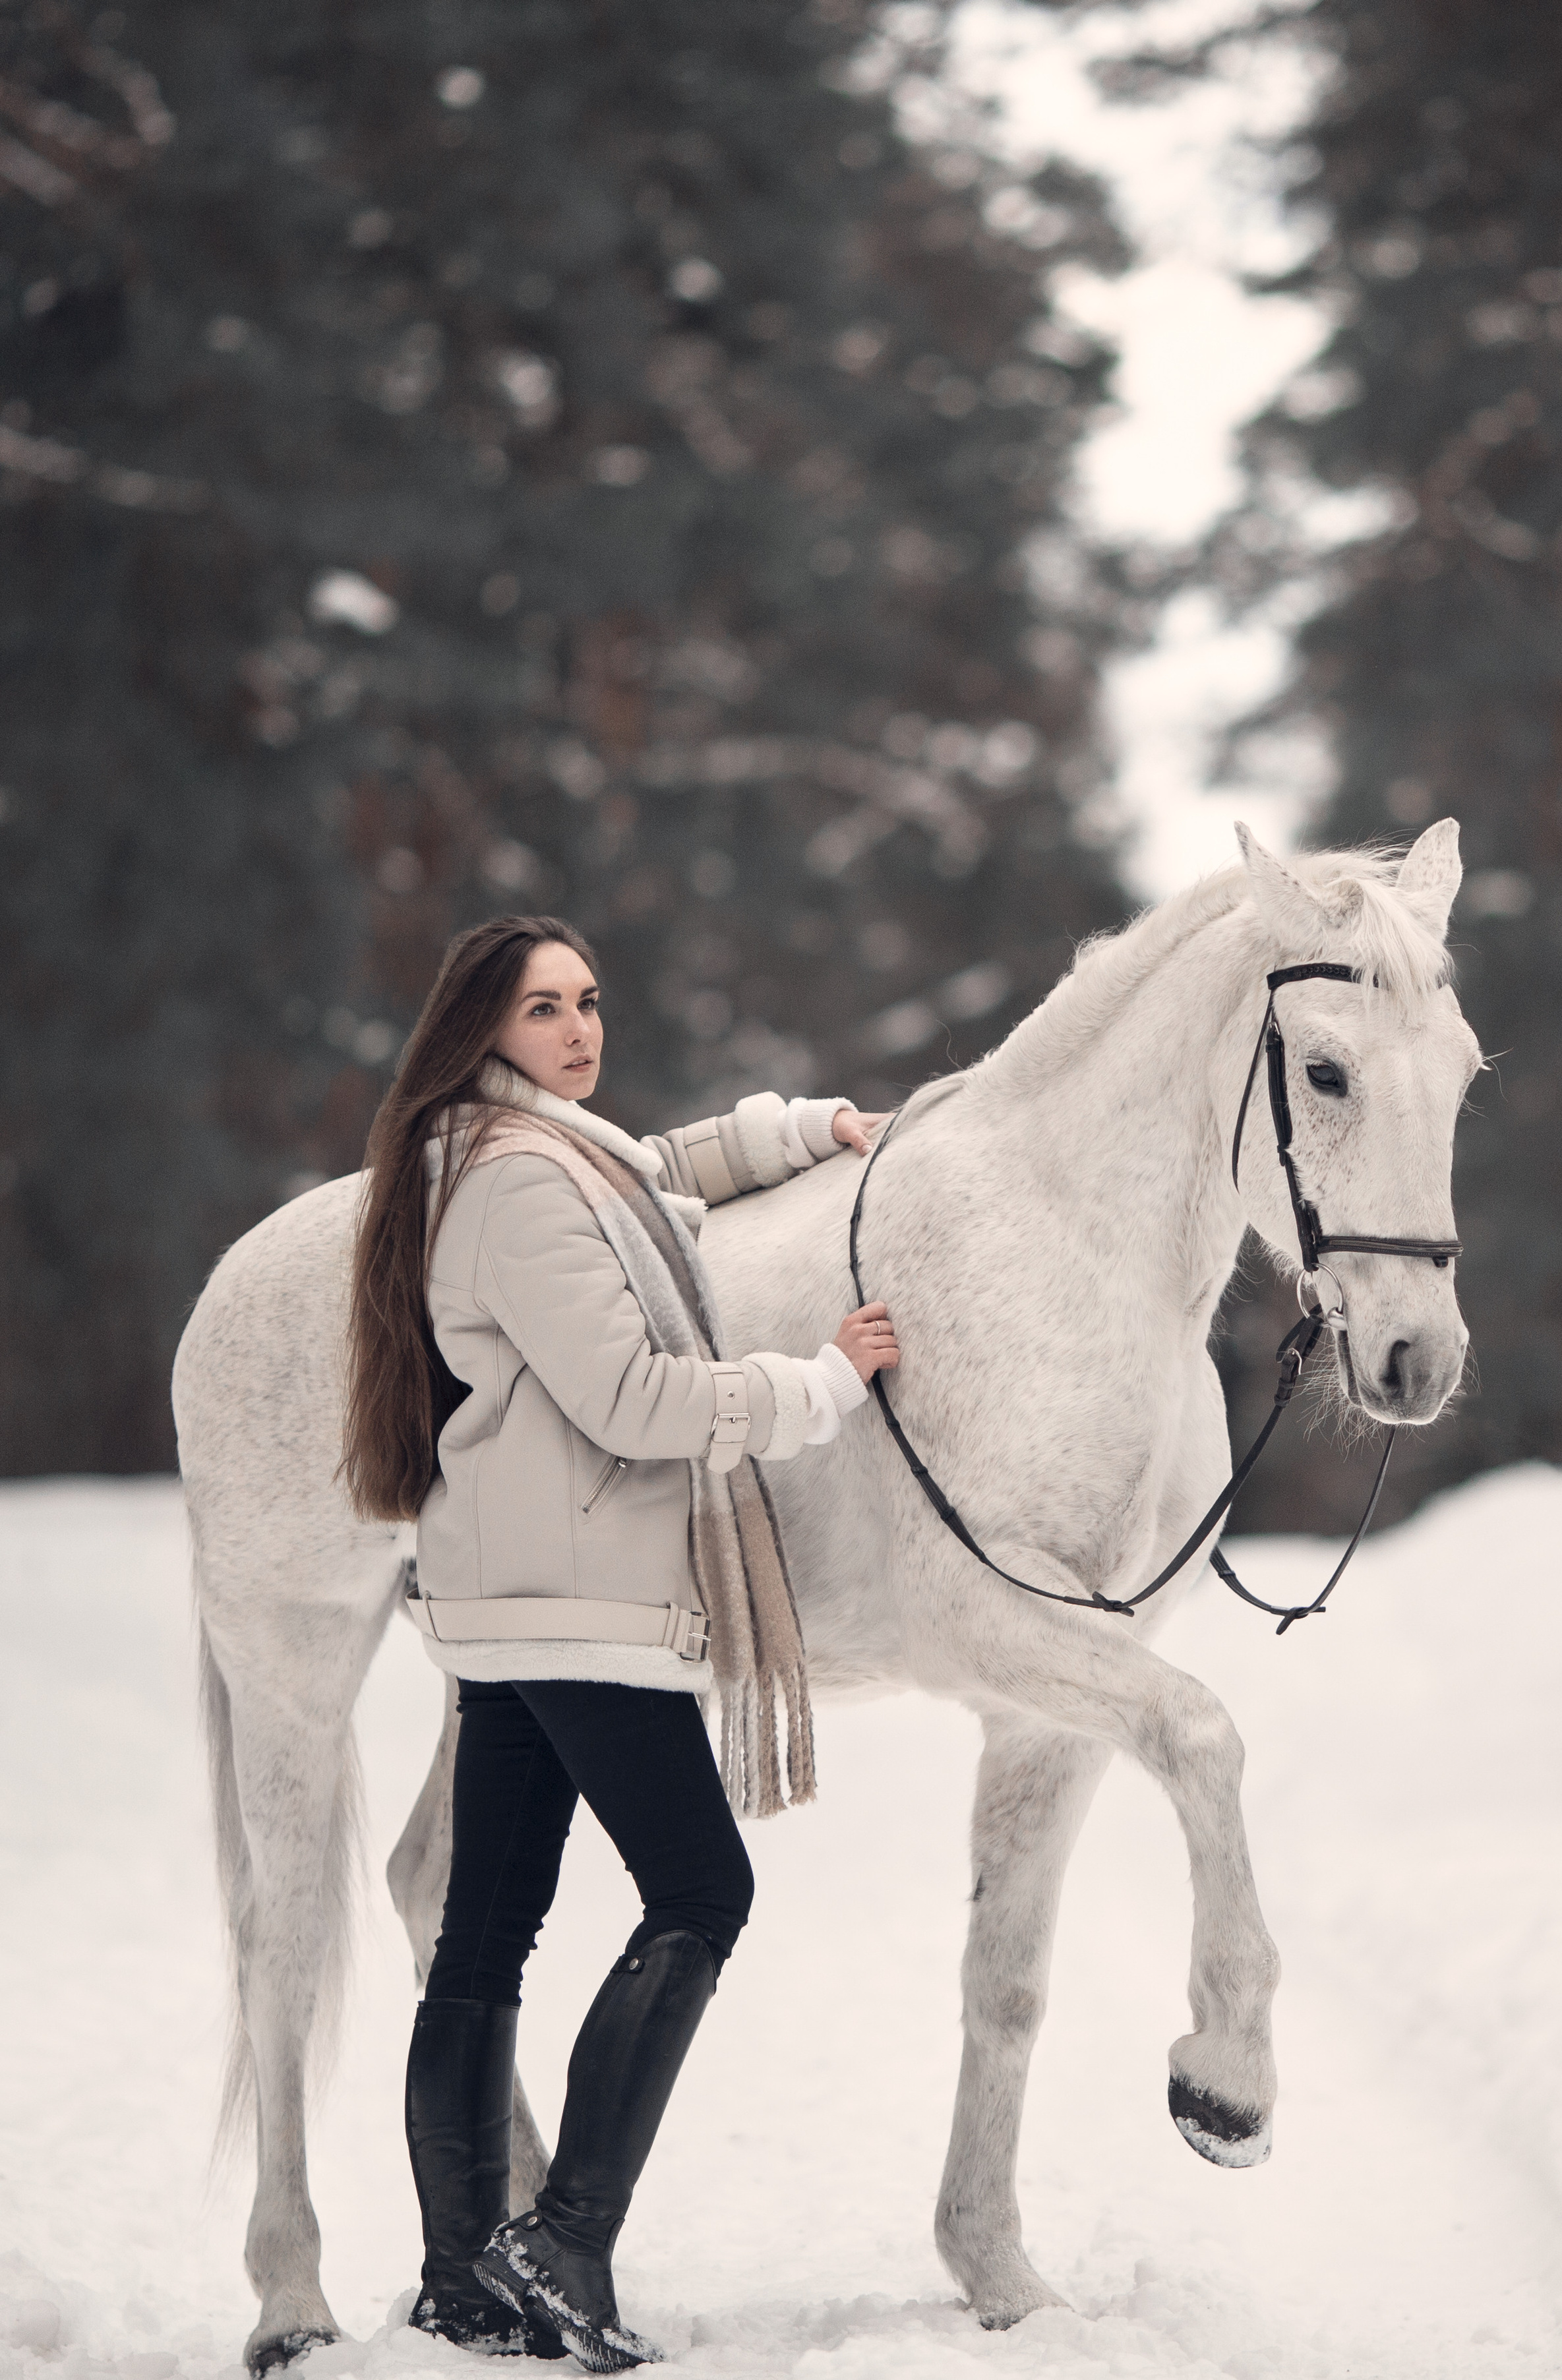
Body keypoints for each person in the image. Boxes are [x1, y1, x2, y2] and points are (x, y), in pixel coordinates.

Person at [341, 914, 898, 2374]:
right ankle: (562, 2234)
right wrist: (822, 1379)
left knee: (481, 1937)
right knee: (702, 1886)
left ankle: (466, 2276)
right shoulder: (521, 1185)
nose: (579, 1030)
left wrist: (808, 1126)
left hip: (513, 1592)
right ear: (482, 1030)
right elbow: (639, 1399)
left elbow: (664, 1171)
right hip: (578, 1599)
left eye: (588, 1000)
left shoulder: (523, 1153)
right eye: (543, 1008)